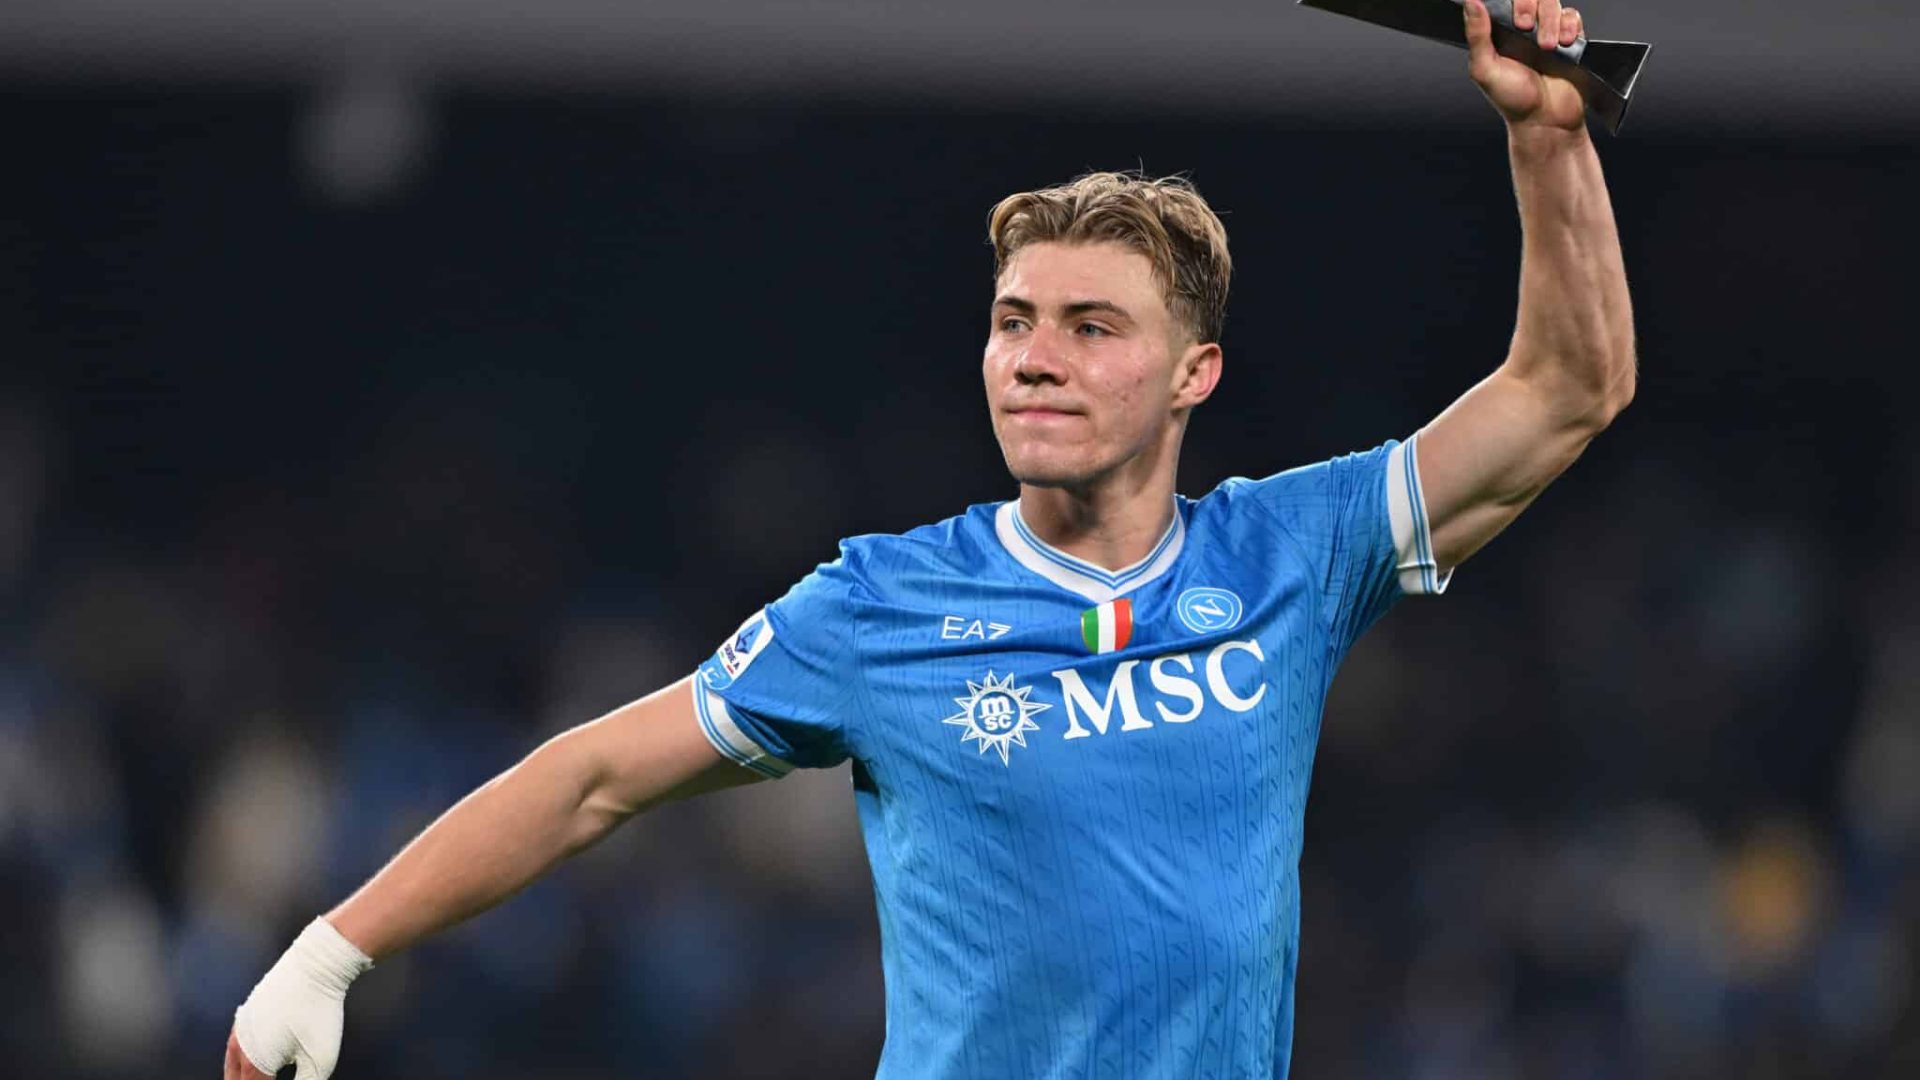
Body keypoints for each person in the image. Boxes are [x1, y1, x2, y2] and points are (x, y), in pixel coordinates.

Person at [225, 1, 1634, 1075]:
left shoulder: (1290, 555)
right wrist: (334, 949)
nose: (1036, 358)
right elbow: (592, 778)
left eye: (1092, 328)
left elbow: (1570, 389)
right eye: (1015, 323)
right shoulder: (880, 605)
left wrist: (1547, 141)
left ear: (1193, 374)